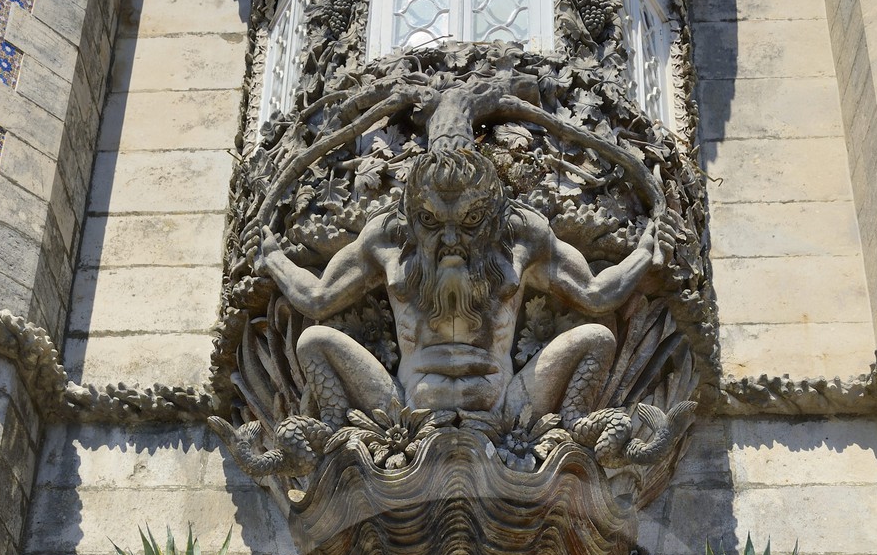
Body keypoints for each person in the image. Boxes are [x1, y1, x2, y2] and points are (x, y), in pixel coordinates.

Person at [253, 137, 670, 431]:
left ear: (491, 214)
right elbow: (317, 297)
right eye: (433, 222)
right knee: (313, 342)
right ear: (414, 216)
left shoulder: (522, 236)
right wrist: (272, 256)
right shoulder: (388, 238)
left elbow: (596, 295)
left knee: (597, 337)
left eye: (469, 221)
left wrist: (643, 255)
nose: (451, 239)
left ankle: (574, 424)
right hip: (404, 405)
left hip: (509, 404)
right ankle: (334, 430)